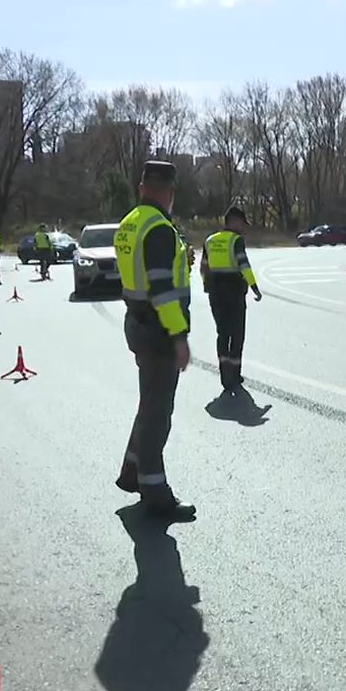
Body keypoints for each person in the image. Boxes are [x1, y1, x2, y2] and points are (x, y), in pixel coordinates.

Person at [113, 160, 196, 521]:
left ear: (141, 187)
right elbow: (162, 289)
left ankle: (133, 471)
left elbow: (145, 274)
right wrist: (178, 337)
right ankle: (155, 491)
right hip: (159, 329)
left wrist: (182, 260)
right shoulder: (159, 228)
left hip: (137, 321)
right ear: (171, 191)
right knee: (158, 412)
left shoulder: (130, 223)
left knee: (149, 404)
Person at [200, 206, 262, 391]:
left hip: (215, 294)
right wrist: (254, 287)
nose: (244, 227)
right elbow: (244, 265)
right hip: (234, 293)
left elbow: (203, 267)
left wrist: (208, 286)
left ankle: (224, 373)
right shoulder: (236, 241)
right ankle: (234, 374)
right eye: (243, 223)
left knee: (222, 333)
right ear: (234, 221)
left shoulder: (209, 241)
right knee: (237, 334)